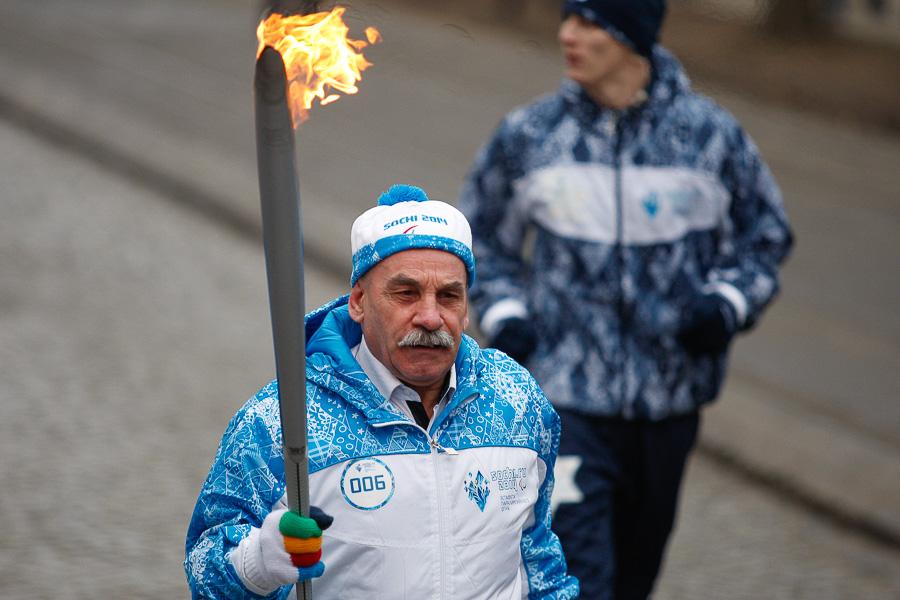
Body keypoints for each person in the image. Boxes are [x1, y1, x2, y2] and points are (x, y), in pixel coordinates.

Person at [458, 1, 794, 598]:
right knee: (582, 578)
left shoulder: (708, 136)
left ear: (631, 34)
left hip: (669, 401)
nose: (568, 35)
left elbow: (765, 236)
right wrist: (507, 313)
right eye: (568, 18)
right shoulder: (532, 134)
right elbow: (479, 238)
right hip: (565, 397)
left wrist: (727, 304)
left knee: (636, 577)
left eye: (589, 22)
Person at [184, 184, 579, 599]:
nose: (430, 317)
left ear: (465, 306)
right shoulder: (281, 420)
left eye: (448, 296)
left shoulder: (515, 401)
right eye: (405, 293)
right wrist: (256, 564)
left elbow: (538, 557)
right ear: (358, 301)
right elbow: (205, 572)